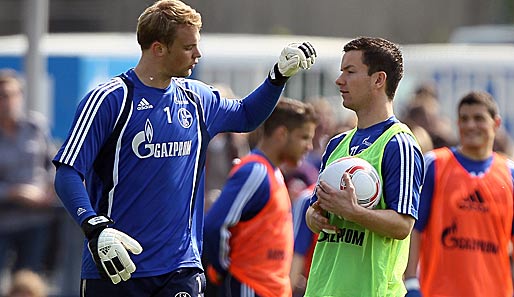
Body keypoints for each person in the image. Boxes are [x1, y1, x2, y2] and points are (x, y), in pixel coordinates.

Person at [51, 0, 317, 296]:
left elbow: (245, 115)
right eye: (189, 47)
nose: (198, 54)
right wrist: (95, 228)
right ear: (159, 48)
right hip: (117, 263)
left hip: (181, 268)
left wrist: (277, 76)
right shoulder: (111, 99)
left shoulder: (196, 99)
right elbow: (67, 171)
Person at [303, 37, 424, 296]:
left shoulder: (399, 144)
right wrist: (313, 217)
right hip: (322, 290)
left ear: (378, 80)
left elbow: (403, 225)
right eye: (341, 72)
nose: (339, 80)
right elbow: (315, 214)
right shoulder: (337, 144)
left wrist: (354, 212)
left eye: (350, 72)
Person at [203, 98, 318, 297]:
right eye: (304, 137)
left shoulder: (273, 172)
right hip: (250, 287)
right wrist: (225, 271)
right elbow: (215, 225)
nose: (309, 146)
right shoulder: (255, 170)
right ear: (282, 134)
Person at [404, 91, 514, 297]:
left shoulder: (510, 174)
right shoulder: (435, 164)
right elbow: (414, 229)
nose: (470, 125)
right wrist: (411, 282)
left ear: (496, 123)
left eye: (479, 118)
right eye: (464, 119)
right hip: (437, 291)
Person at [0, 69, 56, 279]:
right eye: (2, 96)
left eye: (12, 95)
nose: (8, 102)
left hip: (36, 219)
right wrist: (15, 193)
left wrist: (49, 189)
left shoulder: (35, 126)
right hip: (4, 220)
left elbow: (52, 163)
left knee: (28, 281)